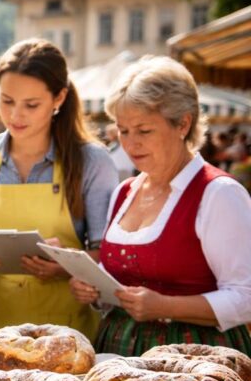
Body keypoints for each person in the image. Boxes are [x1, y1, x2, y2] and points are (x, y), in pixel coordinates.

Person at [70, 56, 251, 355]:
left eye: (144, 131)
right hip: (118, 353)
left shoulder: (219, 193)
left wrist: (166, 306)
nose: (131, 144)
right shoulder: (124, 192)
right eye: (123, 131)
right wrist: (94, 289)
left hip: (194, 358)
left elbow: (246, 297)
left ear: (183, 123)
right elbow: (120, 275)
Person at [0, 39, 117, 356]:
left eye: (31, 105)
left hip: (66, 329)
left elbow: (108, 254)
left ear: (59, 98)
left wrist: (63, 266)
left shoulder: (92, 161)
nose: (15, 115)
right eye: (6, 101)